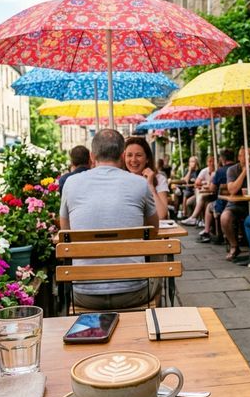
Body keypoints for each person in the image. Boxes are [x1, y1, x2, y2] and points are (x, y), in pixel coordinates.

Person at [59, 129, 160, 310]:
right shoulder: (140, 183)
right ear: (122, 156)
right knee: (159, 276)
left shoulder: (71, 183)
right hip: (133, 292)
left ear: (92, 156)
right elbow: (153, 230)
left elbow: (66, 232)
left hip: (84, 293)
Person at [221, 146, 250, 261]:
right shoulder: (232, 170)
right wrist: (244, 172)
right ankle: (234, 246)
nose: (249, 158)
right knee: (225, 217)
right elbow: (232, 190)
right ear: (239, 157)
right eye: (246, 155)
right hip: (236, 204)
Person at [124, 136, 170, 220]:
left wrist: (150, 185)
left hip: (150, 230)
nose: (133, 160)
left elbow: (161, 215)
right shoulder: (120, 179)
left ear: (147, 159)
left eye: (138, 155)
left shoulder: (159, 179)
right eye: (129, 155)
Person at [198, 149, 235, 243]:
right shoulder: (238, 169)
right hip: (237, 202)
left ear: (222, 159)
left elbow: (212, 188)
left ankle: (207, 231)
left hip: (223, 204)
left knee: (209, 205)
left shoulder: (220, 171)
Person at [181, 154, 215, 226]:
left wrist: (204, 184)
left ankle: (195, 218)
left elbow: (212, 186)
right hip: (193, 191)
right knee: (188, 197)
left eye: (193, 161)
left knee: (200, 197)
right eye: (209, 161)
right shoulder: (191, 170)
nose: (211, 163)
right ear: (207, 162)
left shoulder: (199, 170)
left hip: (206, 193)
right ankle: (188, 216)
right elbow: (191, 182)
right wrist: (189, 171)